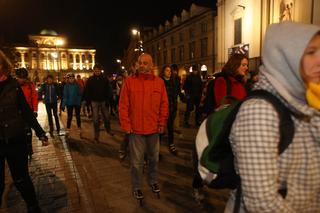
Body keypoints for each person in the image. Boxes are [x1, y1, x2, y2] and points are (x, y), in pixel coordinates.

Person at [224, 22, 320, 212]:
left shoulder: (308, 100)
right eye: (311, 52)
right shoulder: (259, 112)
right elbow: (262, 203)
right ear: (285, 56)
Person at [192, 53, 248, 203]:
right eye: (243, 65)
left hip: (237, 128)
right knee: (206, 156)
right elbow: (221, 106)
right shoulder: (222, 81)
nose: (246, 68)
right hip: (219, 128)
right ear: (235, 65)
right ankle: (198, 185)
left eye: (246, 65)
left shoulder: (241, 83)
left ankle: (234, 193)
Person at [0, 50, 49, 212]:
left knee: (21, 178)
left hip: (15, 138)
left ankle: (33, 206)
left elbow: (26, 111)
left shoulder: (13, 85)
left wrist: (40, 132)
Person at [119, 53, 169, 200]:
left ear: (151, 65)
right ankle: (136, 186)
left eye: (145, 63)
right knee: (136, 162)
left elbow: (164, 105)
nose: (141, 65)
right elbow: (123, 105)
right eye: (140, 63)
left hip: (154, 129)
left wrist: (162, 123)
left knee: (154, 159)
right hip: (136, 130)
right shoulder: (129, 82)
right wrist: (126, 125)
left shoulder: (159, 82)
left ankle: (153, 180)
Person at [83, 63, 114, 142]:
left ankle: (108, 129)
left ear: (100, 71)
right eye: (95, 71)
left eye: (98, 71)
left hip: (103, 101)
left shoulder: (105, 79)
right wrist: (87, 101)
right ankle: (96, 136)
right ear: (94, 70)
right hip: (94, 101)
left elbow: (108, 90)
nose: (97, 72)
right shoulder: (90, 80)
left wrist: (108, 100)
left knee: (106, 117)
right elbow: (87, 91)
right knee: (96, 120)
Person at [15, 68, 39, 160]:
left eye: (23, 78)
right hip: (16, 112)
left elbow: (34, 97)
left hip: (28, 111)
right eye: (20, 78)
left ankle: (29, 146)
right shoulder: (13, 85)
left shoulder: (30, 85)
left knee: (28, 129)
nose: (22, 80)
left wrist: (35, 110)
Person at [159, 65, 178, 155]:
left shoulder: (172, 82)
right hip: (161, 111)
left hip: (171, 110)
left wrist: (175, 109)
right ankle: (156, 148)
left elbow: (174, 96)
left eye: (170, 71)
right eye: (167, 70)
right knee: (160, 130)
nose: (169, 72)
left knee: (170, 129)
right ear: (163, 72)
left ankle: (171, 145)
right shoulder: (159, 82)